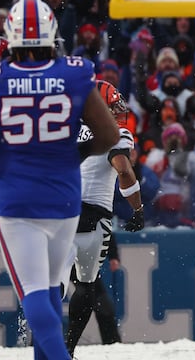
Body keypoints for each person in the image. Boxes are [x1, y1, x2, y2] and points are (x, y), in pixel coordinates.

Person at [0, 0, 120, 360]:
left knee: (33, 291)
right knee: (51, 290)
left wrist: (8, 156)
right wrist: (71, 152)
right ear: (52, 36)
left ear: (11, 37)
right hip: (64, 195)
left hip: (17, 197)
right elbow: (110, 135)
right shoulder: (74, 73)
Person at [65, 80, 145, 356]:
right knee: (86, 288)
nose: (119, 111)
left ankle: (42, 342)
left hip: (60, 213)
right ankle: (67, 349)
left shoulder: (66, 129)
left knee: (54, 284)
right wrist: (138, 208)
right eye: (113, 106)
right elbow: (123, 169)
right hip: (93, 218)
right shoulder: (118, 132)